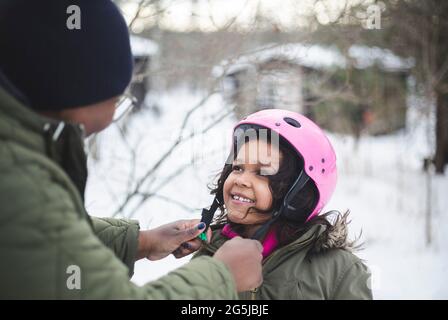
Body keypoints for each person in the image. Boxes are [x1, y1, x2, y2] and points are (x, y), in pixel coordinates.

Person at [0, 0, 263, 299]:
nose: (243, 180)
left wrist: (141, 241)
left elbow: (45, 243)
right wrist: (222, 277)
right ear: (75, 91)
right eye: (117, 99)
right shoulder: (16, 180)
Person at [194, 109, 373, 299]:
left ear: (300, 195)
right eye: (237, 168)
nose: (241, 180)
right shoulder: (211, 251)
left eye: (262, 172)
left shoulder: (339, 271)